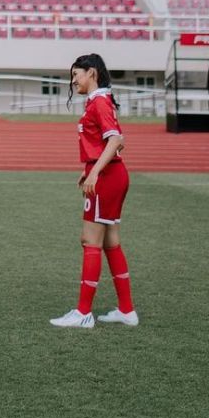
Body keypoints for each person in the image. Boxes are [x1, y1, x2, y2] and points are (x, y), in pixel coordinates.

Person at [50, 53, 138, 329]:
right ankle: (126, 310)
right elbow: (118, 140)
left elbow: (114, 141)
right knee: (110, 242)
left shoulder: (99, 101)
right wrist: (89, 167)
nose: (74, 80)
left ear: (92, 73)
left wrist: (96, 171)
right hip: (112, 175)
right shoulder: (102, 100)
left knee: (90, 241)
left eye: (77, 74)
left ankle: (83, 313)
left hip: (107, 178)